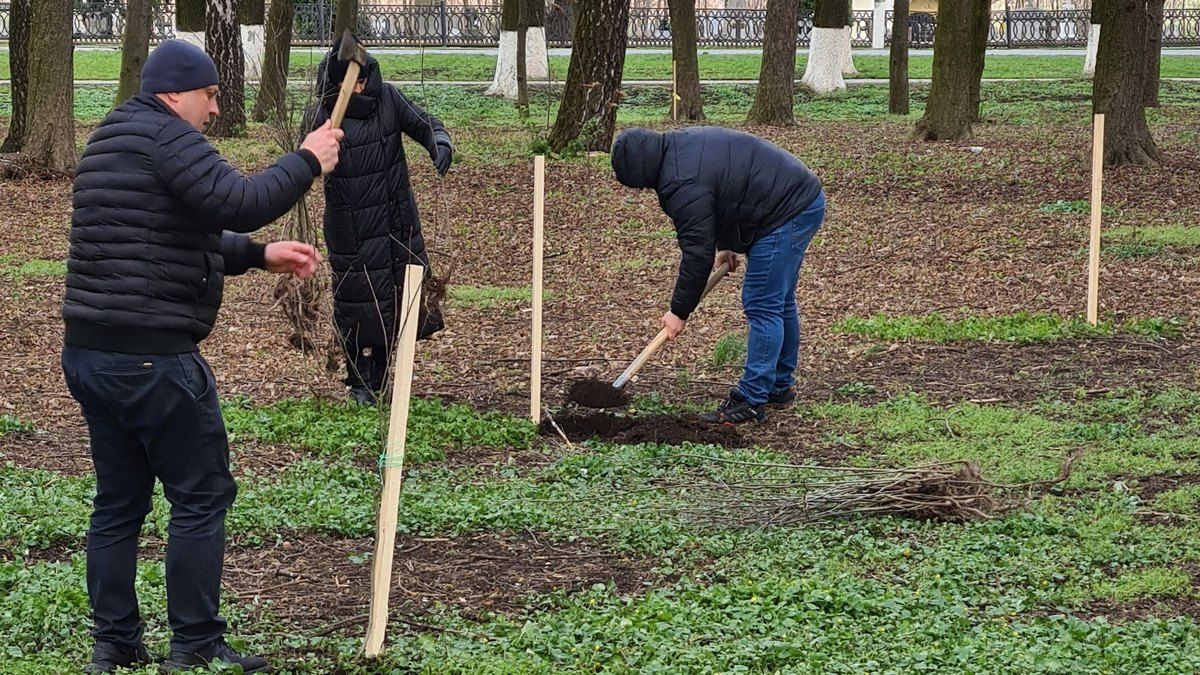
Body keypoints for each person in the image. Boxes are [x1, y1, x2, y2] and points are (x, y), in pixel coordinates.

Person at [62, 40, 343, 673]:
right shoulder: (170, 138)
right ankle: (193, 644)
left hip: (89, 353)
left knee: (118, 502)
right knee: (200, 493)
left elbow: (169, 228)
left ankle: (115, 645)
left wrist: (258, 254)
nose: (215, 109)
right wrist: (307, 159)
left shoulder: (111, 138)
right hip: (152, 361)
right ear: (176, 93)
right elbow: (238, 199)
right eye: (210, 95)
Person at [610, 126, 826, 426]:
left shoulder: (680, 181)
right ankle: (779, 385)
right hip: (801, 197)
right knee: (778, 300)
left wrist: (678, 311)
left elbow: (697, 254)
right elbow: (726, 188)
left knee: (763, 303)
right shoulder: (678, 146)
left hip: (787, 210)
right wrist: (727, 244)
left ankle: (752, 399)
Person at [305, 38, 453, 406]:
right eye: (345, 84)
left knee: (399, 294)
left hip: (395, 220)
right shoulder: (324, 113)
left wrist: (439, 142)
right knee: (355, 300)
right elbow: (303, 157)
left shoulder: (387, 98)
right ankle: (358, 379)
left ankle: (386, 373)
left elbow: (424, 123)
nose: (354, 88)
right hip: (349, 225)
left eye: (358, 81)